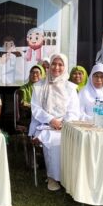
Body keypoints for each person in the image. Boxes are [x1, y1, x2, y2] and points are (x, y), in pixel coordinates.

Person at [28, 53, 80, 191]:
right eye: (54, 64)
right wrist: (51, 120)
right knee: (53, 140)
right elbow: (36, 109)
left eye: (60, 64)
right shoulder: (39, 86)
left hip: (66, 125)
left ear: (65, 67)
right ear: (49, 66)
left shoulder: (70, 87)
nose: (57, 67)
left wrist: (63, 123)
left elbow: (73, 111)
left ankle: (68, 178)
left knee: (70, 139)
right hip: (44, 124)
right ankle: (52, 178)